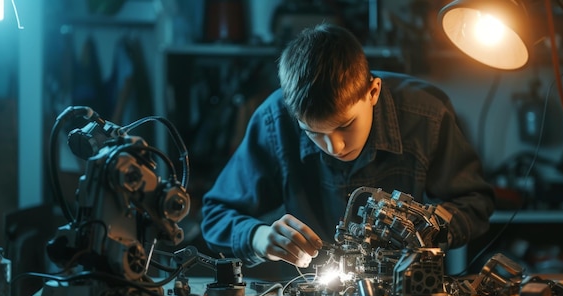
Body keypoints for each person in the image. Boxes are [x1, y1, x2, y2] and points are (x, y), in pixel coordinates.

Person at [200, 23, 495, 274]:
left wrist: (424, 230)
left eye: (345, 125)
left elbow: (475, 203)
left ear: (373, 92)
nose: (334, 146)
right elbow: (215, 215)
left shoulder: (426, 116)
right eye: (314, 133)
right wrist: (258, 237)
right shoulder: (273, 120)